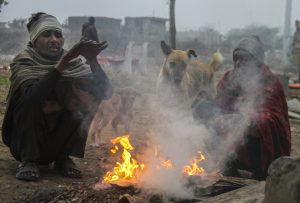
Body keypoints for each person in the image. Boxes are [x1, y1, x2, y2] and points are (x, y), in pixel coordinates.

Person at [1, 12, 113, 181]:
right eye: (46, 35)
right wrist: (63, 62)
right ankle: (29, 160)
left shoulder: (73, 63)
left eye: (58, 35)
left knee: (87, 97)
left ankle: (63, 157)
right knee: (25, 97)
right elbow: (32, 98)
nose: (54, 39)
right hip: (26, 141)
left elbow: (105, 93)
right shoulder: (24, 61)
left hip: (57, 139)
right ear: (34, 40)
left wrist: (92, 61)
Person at [193, 36, 291, 180]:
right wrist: (209, 106)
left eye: (244, 59)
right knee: (203, 110)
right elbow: (219, 106)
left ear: (256, 61)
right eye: (236, 58)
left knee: (250, 128)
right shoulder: (229, 78)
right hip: (231, 136)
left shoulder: (270, 82)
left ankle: (260, 173)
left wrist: (245, 120)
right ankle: (228, 165)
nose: (238, 63)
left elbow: (273, 119)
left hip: (259, 142)